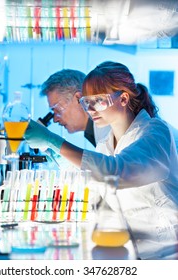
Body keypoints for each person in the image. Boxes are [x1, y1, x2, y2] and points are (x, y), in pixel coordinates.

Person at [25, 61, 178, 259]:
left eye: (99, 101)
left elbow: (115, 171)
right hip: (136, 252)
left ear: (123, 99)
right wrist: (61, 158)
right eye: (87, 102)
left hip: (168, 254)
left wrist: (55, 140)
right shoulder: (106, 143)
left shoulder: (156, 132)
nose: (91, 109)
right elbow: (97, 191)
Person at [40, 69, 110, 147]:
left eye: (58, 109)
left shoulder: (108, 129)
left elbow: (109, 159)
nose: (55, 119)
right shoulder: (93, 131)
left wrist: (55, 143)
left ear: (79, 99)